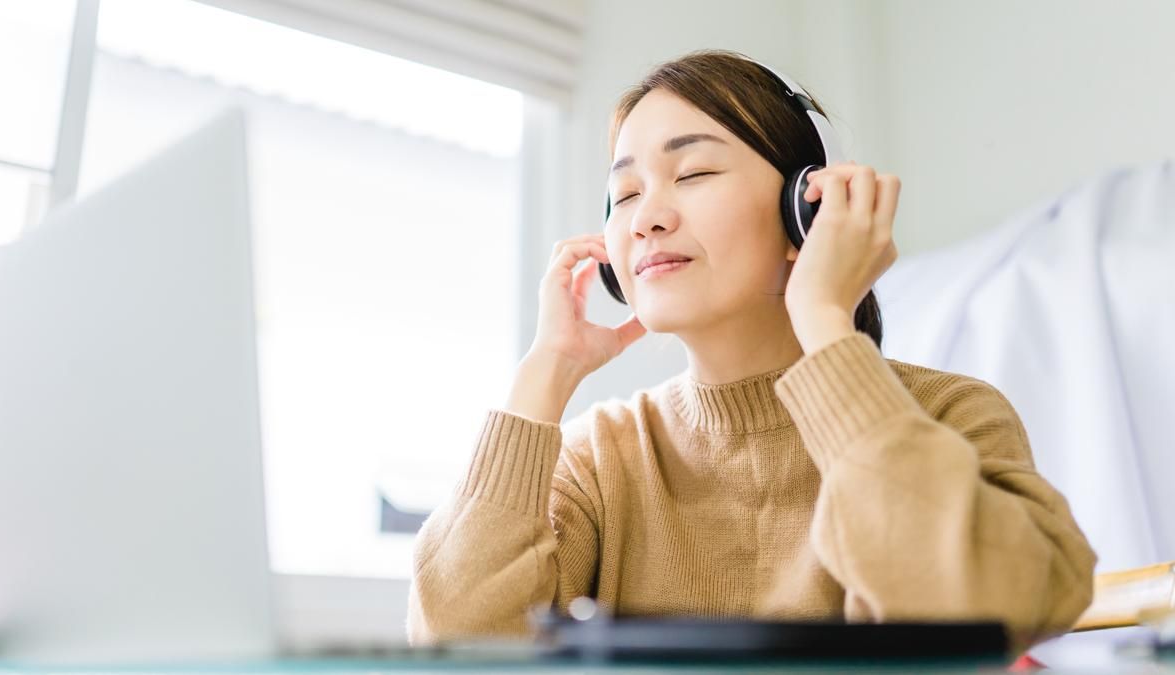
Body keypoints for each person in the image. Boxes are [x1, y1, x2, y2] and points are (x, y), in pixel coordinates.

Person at [406, 49, 1096, 652]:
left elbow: (992, 606)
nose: (645, 216)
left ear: (808, 209)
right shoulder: (600, 459)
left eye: (693, 173)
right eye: (623, 193)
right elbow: (460, 641)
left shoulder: (950, 414)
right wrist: (545, 373)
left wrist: (826, 318)